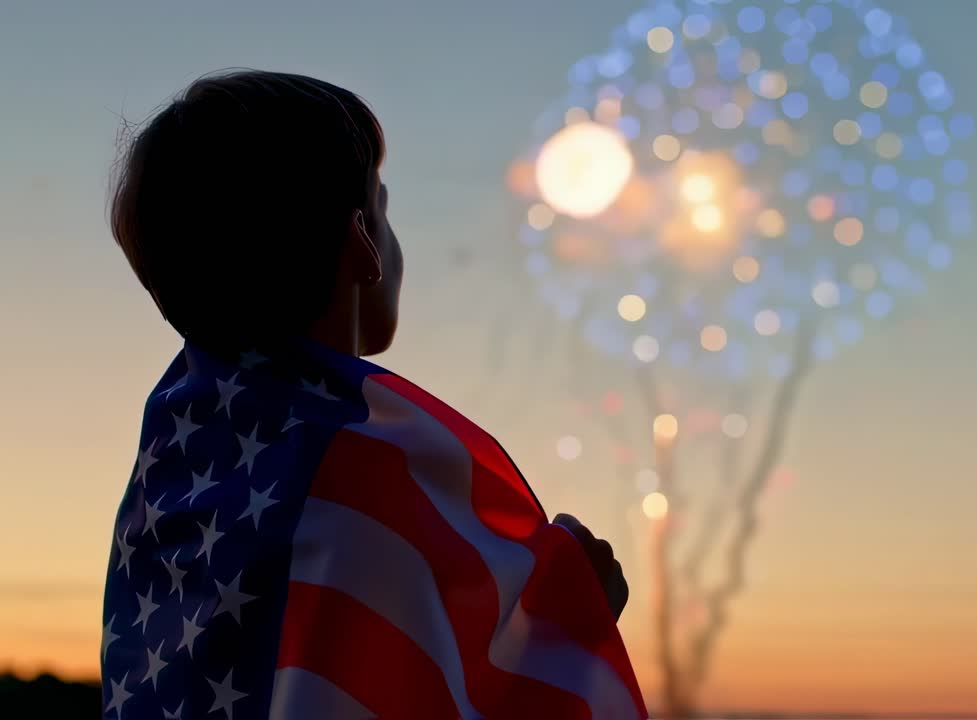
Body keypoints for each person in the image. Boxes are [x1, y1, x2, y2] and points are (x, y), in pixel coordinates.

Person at [100, 69, 645, 720]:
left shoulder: (174, 461)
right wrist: (567, 617)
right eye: (384, 209)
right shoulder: (362, 470)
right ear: (363, 239)